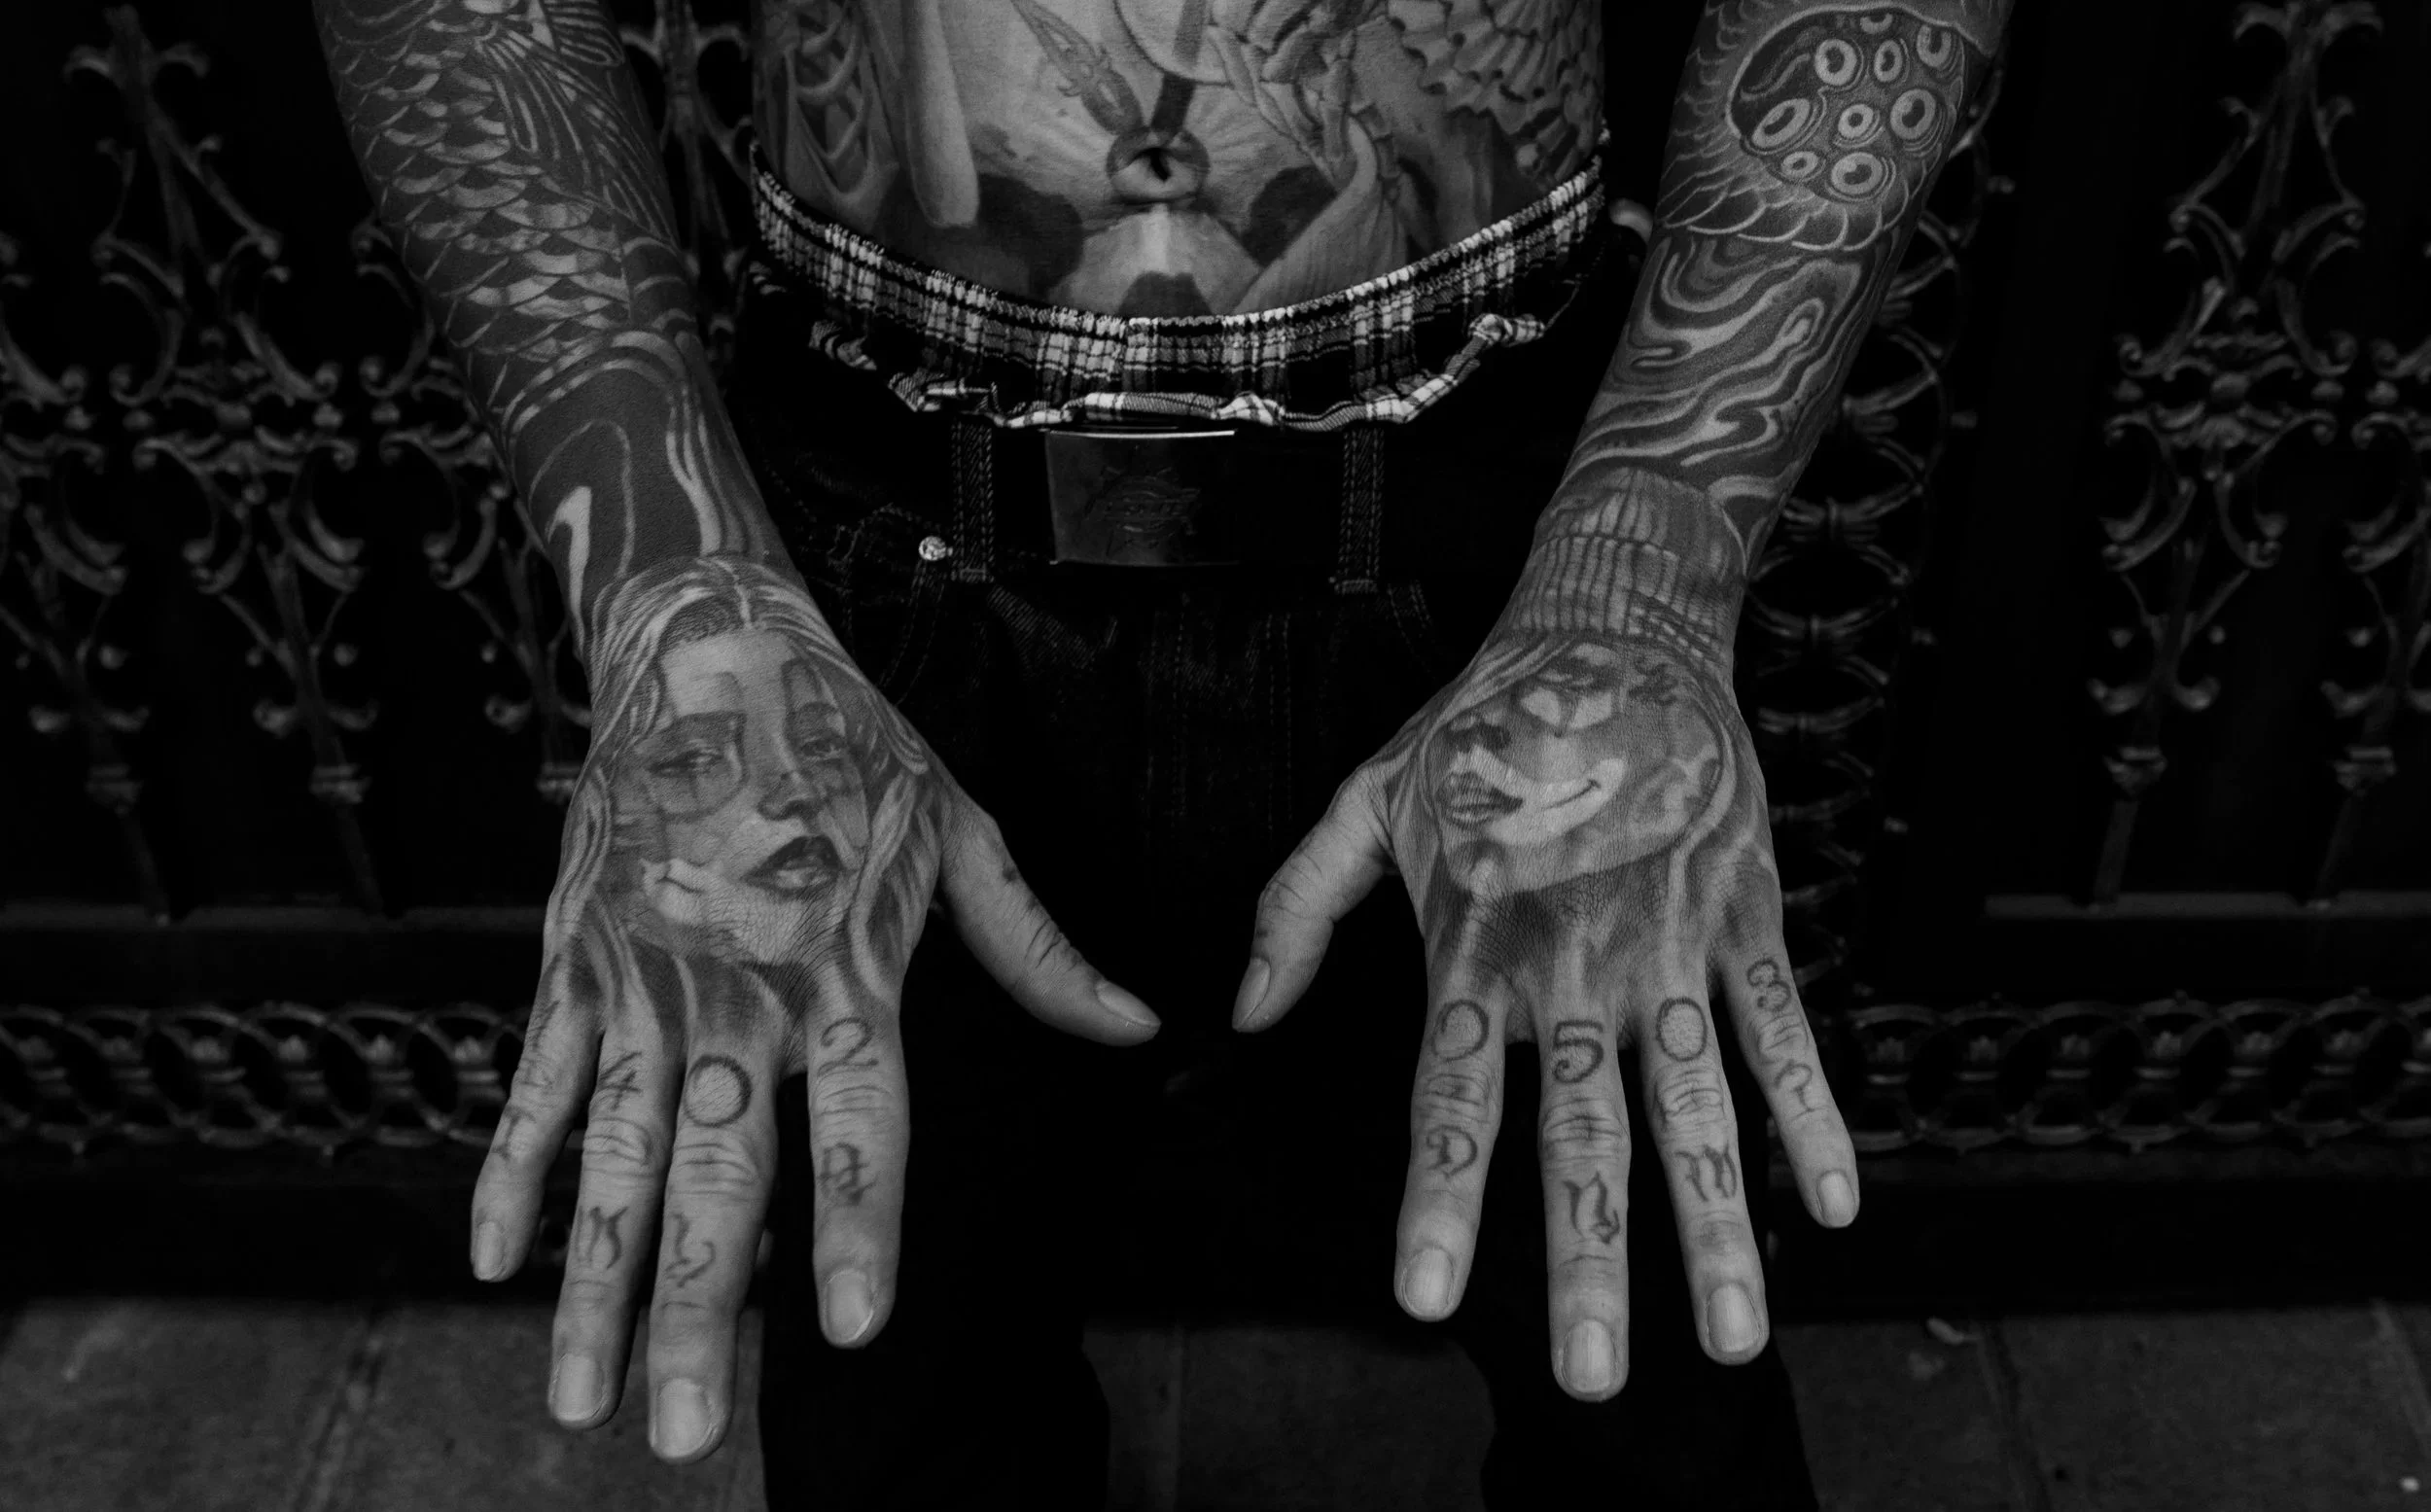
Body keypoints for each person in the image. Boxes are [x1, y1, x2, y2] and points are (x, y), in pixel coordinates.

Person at [315, 0, 2011, 1505]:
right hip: (868, 591)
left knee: (1654, 1397)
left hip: (1515, 572)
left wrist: (1643, 569)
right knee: (896, 1411)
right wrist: (680, 598)